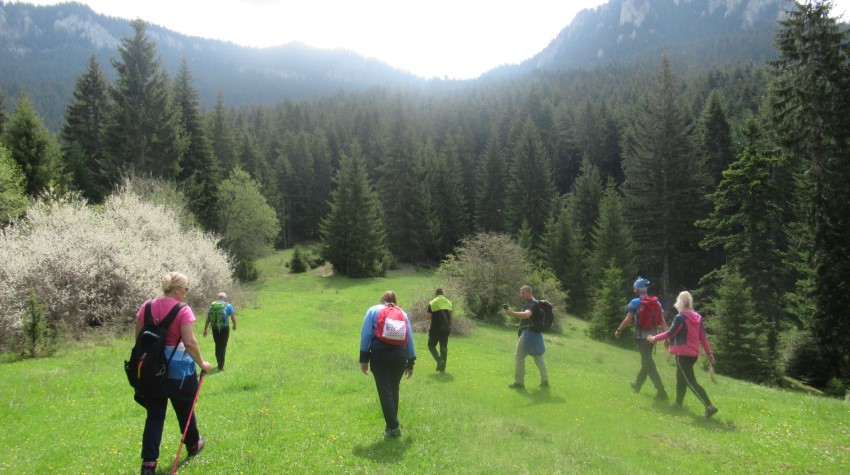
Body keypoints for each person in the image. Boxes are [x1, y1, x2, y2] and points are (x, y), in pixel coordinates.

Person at [135, 272, 212, 475]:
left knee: (154, 416)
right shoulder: (182, 309)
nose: (186, 293)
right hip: (179, 372)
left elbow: (139, 340)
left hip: (152, 372)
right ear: (177, 289)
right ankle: (193, 444)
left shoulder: (147, 306)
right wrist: (202, 363)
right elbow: (189, 342)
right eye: (185, 289)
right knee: (185, 411)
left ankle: (148, 464)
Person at [648, 291, 718, 418]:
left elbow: (670, 333)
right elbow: (703, 337)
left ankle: (709, 406)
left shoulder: (680, 318)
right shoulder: (698, 317)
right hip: (693, 354)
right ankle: (678, 404)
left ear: (679, 302)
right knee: (681, 378)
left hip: (683, 354)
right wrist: (709, 353)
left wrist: (654, 338)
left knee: (691, 382)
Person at [359, 291, 416, 438]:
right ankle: (391, 427)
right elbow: (409, 337)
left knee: (385, 391)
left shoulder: (373, 310)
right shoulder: (402, 313)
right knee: (393, 389)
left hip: (380, 354)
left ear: (382, 300)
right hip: (400, 355)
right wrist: (411, 361)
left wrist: (364, 358)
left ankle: (394, 427)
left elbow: (366, 335)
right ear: (395, 301)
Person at [614, 277, 669, 400]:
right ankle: (637, 385)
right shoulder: (657, 303)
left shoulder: (635, 302)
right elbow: (663, 322)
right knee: (646, 362)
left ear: (637, 290)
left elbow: (628, 319)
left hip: (641, 338)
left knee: (648, 363)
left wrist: (618, 330)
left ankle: (661, 391)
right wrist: (666, 337)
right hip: (653, 338)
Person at [504, 285, 549, 390]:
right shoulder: (536, 303)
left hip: (528, 334)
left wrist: (512, 313)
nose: (521, 295)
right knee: (538, 357)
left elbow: (527, 315)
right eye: (520, 293)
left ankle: (519, 383)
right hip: (536, 334)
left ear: (529, 293)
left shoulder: (531, 304)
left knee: (519, 357)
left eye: (523, 293)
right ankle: (545, 381)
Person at [203, 292, 237, 371]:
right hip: (224, 328)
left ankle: (219, 362)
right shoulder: (228, 305)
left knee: (217, 345)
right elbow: (232, 317)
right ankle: (220, 366)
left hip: (214, 328)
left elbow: (208, 319)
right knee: (223, 346)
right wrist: (234, 325)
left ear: (218, 298)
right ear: (225, 298)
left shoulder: (212, 306)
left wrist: (205, 329)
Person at [425, 288, 453, 373]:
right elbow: (450, 316)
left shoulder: (433, 302)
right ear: (443, 294)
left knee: (431, 345)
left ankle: (439, 360)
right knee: (443, 347)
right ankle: (442, 369)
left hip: (435, 328)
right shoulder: (449, 303)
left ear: (436, 294)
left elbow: (428, 317)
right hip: (446, 329)